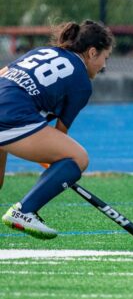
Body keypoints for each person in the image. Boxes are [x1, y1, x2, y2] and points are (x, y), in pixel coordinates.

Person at [0, 20, 114, 239]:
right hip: (12, 116)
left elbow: (3, 74)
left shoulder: (43, 51)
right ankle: (23, 212)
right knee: (78, 158)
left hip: (5, 106)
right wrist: (62, 171)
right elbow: (60, 137)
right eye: (105, 58)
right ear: (92, 52)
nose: (104, 66)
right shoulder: (82, 83)